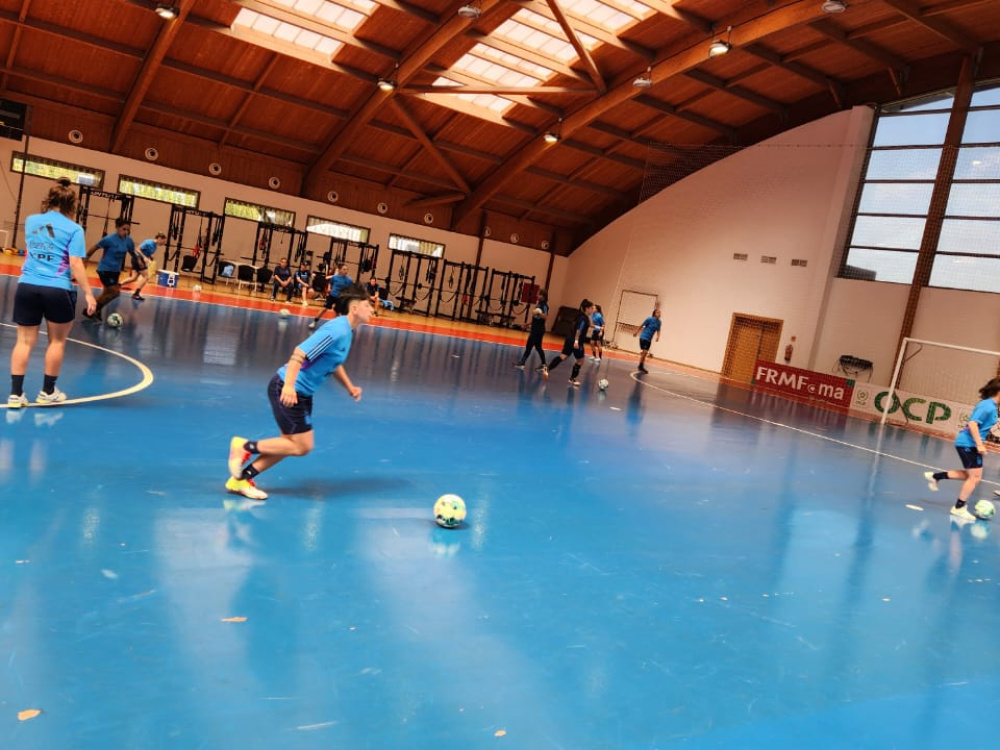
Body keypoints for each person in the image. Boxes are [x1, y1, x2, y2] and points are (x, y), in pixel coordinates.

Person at [225, 284, 374, 500]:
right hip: (289, 388)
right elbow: (300, 352)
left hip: (302, 392)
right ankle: (244, 447)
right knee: (301, 446)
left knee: (289, 445)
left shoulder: (348, 331)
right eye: (367, 305)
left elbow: (333, 362)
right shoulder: (337, 330)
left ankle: (241, 480)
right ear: (354, 308)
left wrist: (349, 387)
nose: (372, 309)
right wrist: (289, 386)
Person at [8, 178, 97, 408]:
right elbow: (75, 263)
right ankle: (47, 392)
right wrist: (89, 293)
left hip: (27, 286)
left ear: (50, 199)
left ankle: (16, 394)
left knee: (23, 342)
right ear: (72, 205)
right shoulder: (74, 229)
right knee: (57, 341)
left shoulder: (31, 221)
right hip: (57, 288)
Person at [924, 378, 1000, 521]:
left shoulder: (992, 406)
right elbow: (972, 424)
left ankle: (936, 477)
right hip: (968, 444)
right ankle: (959, 508)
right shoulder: (987, 405)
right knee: (974, 477)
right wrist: (979, 444)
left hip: (970, 443)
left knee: (971, 476)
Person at [84, 217, 137, 322]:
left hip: (115, 271)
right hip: (105, 269)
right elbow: (95, 247)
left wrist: (138, 262)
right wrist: (86, 259)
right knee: (115, 292)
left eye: (128, 229)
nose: (126, 232)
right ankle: (90, 310)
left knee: (106, 293)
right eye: (124, 229)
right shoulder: (109, 239)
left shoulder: (128, 241)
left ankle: (95, 310)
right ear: (117, 228)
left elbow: (132, 252)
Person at [543, 298, 594, 386]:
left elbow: (589, 325)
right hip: (576, 341)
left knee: (563, 356)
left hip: (569, 339)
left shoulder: (580, 316)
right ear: (587, 308)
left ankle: (547, 369)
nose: (592, 310)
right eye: (591, 308)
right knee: (581, 361)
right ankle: (572, 379)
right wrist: (576, 341)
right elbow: (579, 330)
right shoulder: (584, 318)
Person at [119, 231, 166, 301]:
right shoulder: (149, 242)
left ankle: (118, 285)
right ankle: (136, 293)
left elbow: (148, 252)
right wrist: (144, 257)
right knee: (146, 277)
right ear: (159, 238)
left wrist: (151, 256)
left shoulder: (155, 246)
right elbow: (137, 249)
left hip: (139, 260)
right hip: (138, 259)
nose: (163, 243)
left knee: (134, 278)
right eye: (163, 241)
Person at [308, 263, 353, 329]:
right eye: (344, 269)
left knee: (338, 313)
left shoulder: (349, 280)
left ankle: (337, 326)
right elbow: (330, 283)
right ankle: (314, 322)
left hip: (340, 298)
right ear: (340, 270)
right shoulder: (335, 277)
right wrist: (329, 288)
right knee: (324, 309)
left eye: (347, 269)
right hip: (332, 296)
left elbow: (351, 289)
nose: (346, 271)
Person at [513, 288, 548, 371]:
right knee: (538, 347)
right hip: (536, 329)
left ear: (543, 296)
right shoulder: (539, 304)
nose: (536, 295)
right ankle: (544, 365)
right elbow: (536, 318)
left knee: (529, 346)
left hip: (537, 330)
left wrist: (538, 313)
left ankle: (522, 363)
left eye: (538, 294)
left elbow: (545, 316)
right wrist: (527, 324)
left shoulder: (544, 305)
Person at [634, 308, 662, 373]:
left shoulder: (659, 322)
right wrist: (636, 332)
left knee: (645, 352)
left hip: (649, 339)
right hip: (643, 337)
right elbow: (642, 325)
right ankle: (641, 366)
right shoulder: (649, 319)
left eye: (660, 313)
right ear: (654, 314)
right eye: (658, 312)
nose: (659, 314)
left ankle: (641, 366)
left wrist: (658, 337)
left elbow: (658, 330)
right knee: (645, 352)